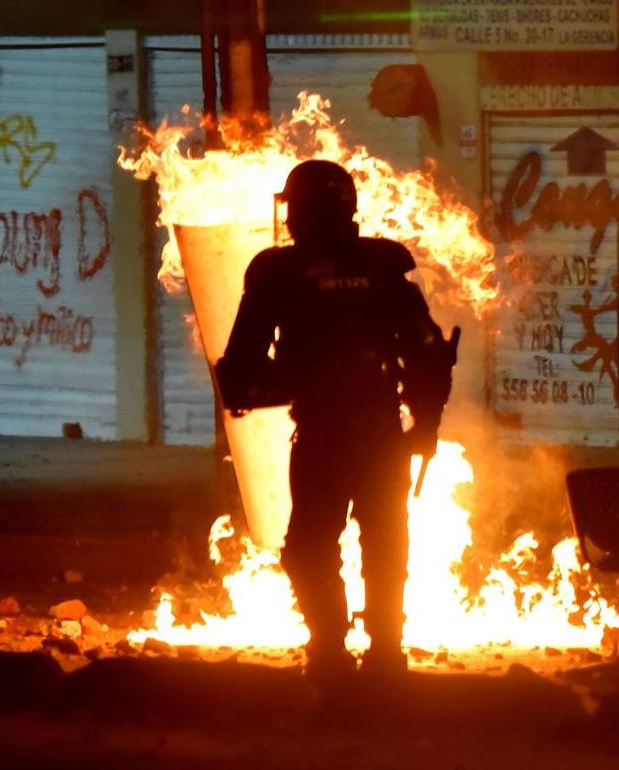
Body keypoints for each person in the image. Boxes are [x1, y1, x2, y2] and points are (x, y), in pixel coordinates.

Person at [215, 159, 456, 685]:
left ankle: (329, 650)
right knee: (386, 542)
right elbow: (428, 351)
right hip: (379, 432)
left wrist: (269, 386)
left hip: (323, 434)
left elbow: (243, 359)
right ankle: (385, 653)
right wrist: (426, 424)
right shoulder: (384, 267)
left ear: (297, 212)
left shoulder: (278, 272)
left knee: (309, 545)